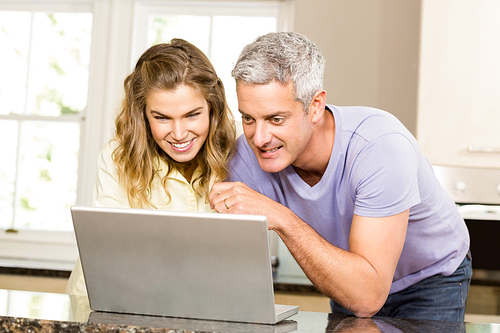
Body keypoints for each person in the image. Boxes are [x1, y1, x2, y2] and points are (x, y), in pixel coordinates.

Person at [209, 32, 471, 321]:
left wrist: (281, 218)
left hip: (429, 277)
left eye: (276, 119)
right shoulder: (244, 157)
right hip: (351, 277)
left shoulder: (379, 146)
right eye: (248, 118)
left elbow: (367, 297)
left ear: (316, 106)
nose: (259, 138)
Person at [66, 39, 236, 296]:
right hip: (109, 299)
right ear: (143, 115)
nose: (179, 134)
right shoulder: (117, 158)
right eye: (162, 118)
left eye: (192, 115)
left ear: (213, 108)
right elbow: (114, 255)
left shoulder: (235, 158)